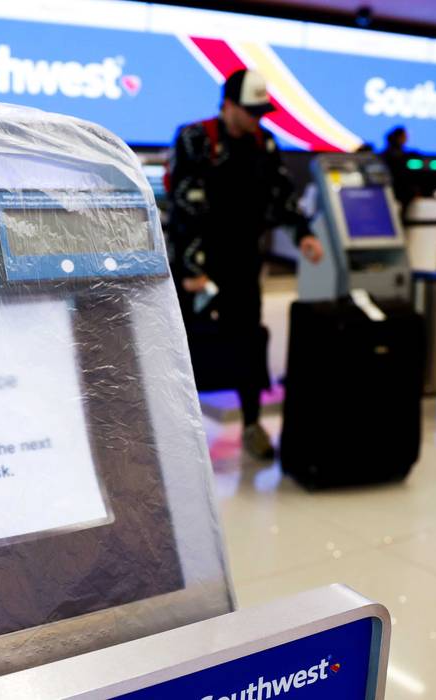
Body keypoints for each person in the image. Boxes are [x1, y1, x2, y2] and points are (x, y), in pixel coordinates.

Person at [168, 69, 324, 459]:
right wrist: (191, 270)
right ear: (229, 105)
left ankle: (252, 424)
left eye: (261, 111)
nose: (257, 118)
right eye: (250, 111)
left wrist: (303, 233)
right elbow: (183, 207)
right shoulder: (196, 139)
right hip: (199, 265)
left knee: (248, 344)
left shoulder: (263, 143)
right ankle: (178, 435)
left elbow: (281, 196)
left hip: (243, 263)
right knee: (187, 348)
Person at [380, 125, 416, 212]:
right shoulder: (394, 155)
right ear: (399, 137)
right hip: (395, 189)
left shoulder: (402, 154)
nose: (406, 139)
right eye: (404, 136)